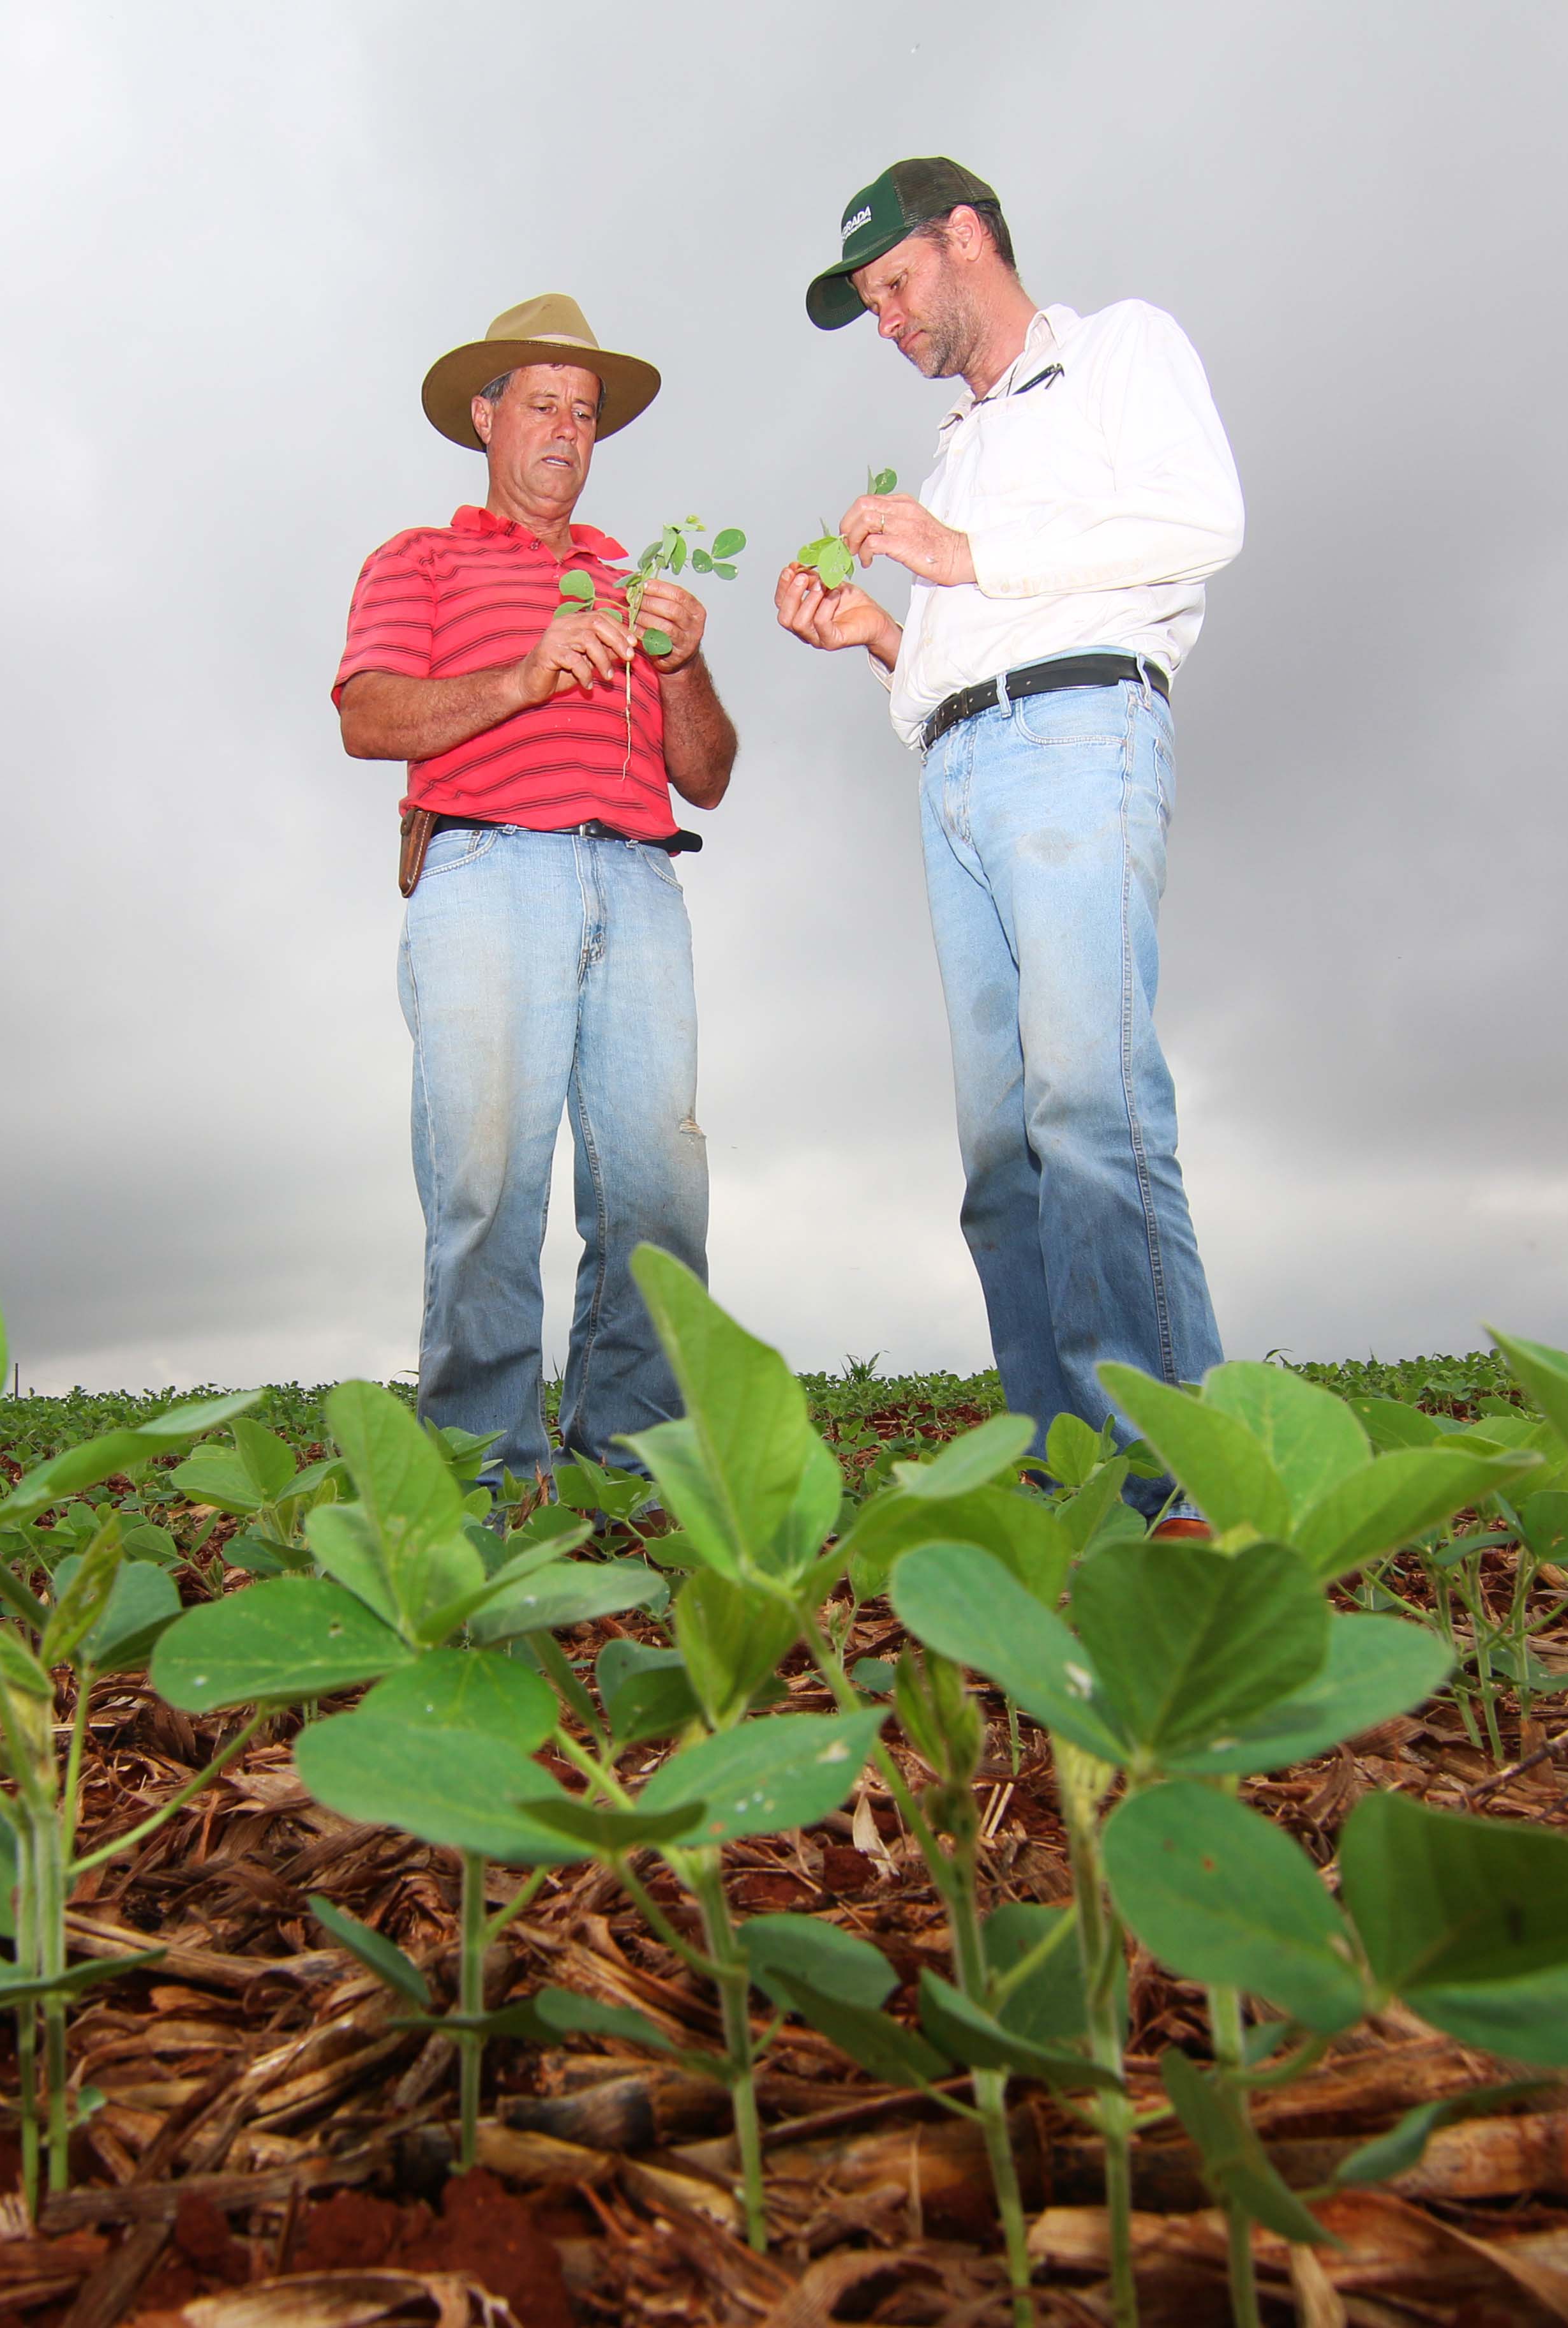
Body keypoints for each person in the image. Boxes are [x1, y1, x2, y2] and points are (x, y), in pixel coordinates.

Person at [774, 161, 1243, 1504]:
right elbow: (964, 643)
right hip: (960, 769)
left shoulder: (1118, 352)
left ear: (963, 239)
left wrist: (962, 552)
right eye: (870, 303)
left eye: (895, 286)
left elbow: (1204, 519)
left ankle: (1185, 1490)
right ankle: (1073, 1487)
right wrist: (878, 631)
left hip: (1078, 742)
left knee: (1089, 1107)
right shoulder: (957, 446)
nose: (888, 322)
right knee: (1001, 1160)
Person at [335, 294, 740, 1480]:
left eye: (586, 411)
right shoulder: (421, 558)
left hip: (642, 881)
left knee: (659, 1193)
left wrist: (686, 659)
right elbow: (366, 715)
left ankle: (631, 1467)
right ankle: (484, 1480)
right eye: (542, 405)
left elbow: (708, 776)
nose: (567, 430)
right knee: (486, 1183)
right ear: (486, 416)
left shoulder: (633, 577)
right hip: (485, 866)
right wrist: (522, 677)